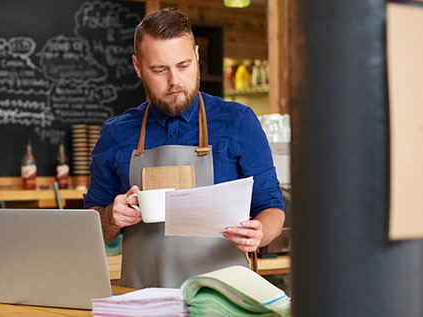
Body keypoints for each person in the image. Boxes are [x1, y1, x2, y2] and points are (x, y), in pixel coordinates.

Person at [84, 8, 285, 289]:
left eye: (183, 65)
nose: (174, 80)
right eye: (159, 69)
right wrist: (110, 217)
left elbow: (272, 207)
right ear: (138, 67)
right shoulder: (116, 133)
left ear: (198, 57)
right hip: (143, 299)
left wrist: (260, 233)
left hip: (222, 299)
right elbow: (92, 227)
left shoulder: (238, 122)